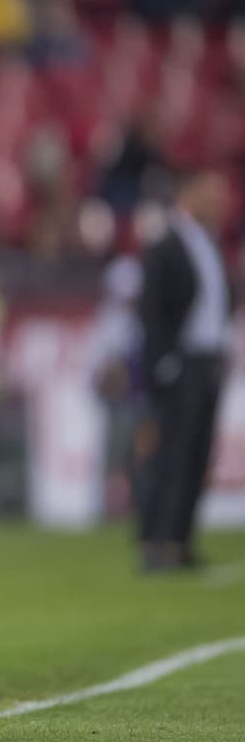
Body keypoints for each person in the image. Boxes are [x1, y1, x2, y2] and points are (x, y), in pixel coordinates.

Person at [135, 169, 231, 572]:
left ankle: (181, 538)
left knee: (197, 454)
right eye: (210, 191)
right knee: (171, 453)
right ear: (189, 193)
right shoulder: (166, 244)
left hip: (209, 360)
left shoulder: (207, 243)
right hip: (182, 361)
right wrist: (165, 361)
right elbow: (151, 307)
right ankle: (156, 542)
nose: (219, 201)